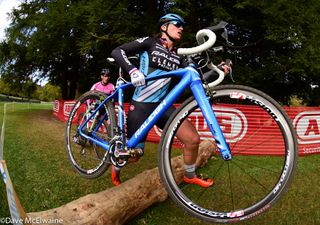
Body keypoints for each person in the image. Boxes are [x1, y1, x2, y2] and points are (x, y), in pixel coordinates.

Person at [111, 13, 219, 188]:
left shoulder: (179, 57)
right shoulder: (150, 42)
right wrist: (132, 70)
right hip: (142, 105)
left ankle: (189, 175)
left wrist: (218, 70)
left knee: (192, 139)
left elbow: (196, 79)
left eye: (183, 26)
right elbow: (117, 51)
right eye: (177, 24)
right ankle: (116, 165)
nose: (181, 28)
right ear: (164, 27)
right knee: (134, 155)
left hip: (163, 107)